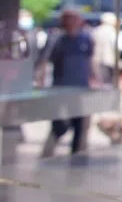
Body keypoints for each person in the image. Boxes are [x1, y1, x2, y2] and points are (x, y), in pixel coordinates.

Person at [41, 9, 97, 158]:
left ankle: (77, 153)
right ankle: (48, 152)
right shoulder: (57, 40)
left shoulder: (86, 39)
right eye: (68, 19)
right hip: (61, 87)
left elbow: (90, 60)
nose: (71, 23)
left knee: (80, 122)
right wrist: (41, 81)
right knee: (58, 122)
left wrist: (94, 78)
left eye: (74, 19)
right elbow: (45, 61)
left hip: (81, 87)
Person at [91, 12, 122, 86]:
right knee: (110, 84)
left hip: (97, 61)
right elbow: (120, 46)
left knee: (101, 84)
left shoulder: (95, 31)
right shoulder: (114, 31)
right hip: (111, 61)